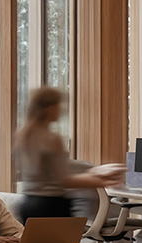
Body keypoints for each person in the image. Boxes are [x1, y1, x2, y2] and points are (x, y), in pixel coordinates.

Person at [13, 87, 123, 220]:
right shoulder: (51, 138)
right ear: (50, 108)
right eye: (59, 105)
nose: (61, 110)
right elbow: (64, 180)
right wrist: (104, 181)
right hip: (51, 206)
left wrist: (93, 174)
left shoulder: (22, 137)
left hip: (29, 204)